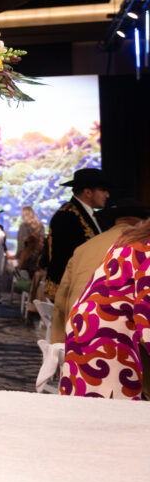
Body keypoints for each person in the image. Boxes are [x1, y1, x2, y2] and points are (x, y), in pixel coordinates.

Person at [60, 216, 150, 400]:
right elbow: (145, 312)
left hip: (85, 323)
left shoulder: (130, 240)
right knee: (114, 407)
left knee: (83, 400)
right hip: (109, 332)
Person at [51, 199, 149, 343]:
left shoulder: (83, 248)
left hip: (77, 334)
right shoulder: (142, 247)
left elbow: (61, 301)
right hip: (122, 343)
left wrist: (58, 346)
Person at [44, 167, 110, 300]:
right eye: (103, 190)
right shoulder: (66, 215)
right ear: (88, 192)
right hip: (75, 294)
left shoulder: (92, 215)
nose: (107, 195)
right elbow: (64, 258)